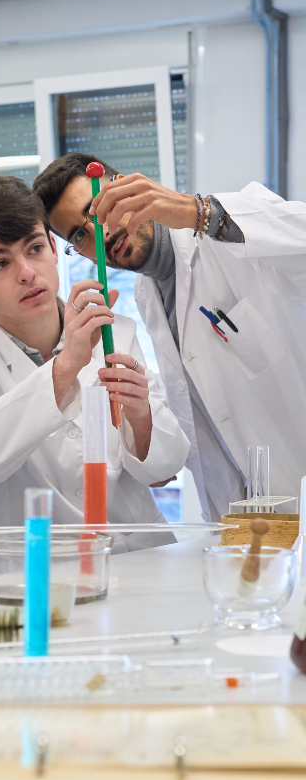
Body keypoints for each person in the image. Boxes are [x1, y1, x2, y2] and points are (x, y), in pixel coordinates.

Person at [34, 153, 306, 522]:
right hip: (247, 526)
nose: (102, 232)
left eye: (99, 211)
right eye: (80, 234)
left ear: (127, 187)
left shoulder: (230, 224)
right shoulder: (147, 297)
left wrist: (198, 212)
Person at [0, 175, 189, 550]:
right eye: (0, 263)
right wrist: (67, 364)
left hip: (136, 558)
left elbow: (164, 468)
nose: (26, 272)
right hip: (34, 573)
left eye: (35, 248)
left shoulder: (113, 332)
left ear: (54, 248)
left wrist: (141, 416)